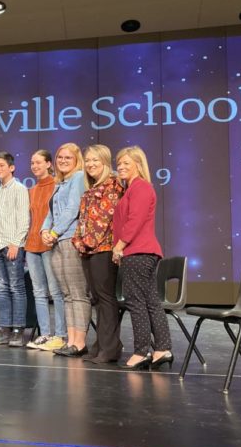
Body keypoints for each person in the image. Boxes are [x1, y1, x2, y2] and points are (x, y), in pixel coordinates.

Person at [112, 146, 174, 371]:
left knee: (136, 302)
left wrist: (120, 245)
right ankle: (162, 349)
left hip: (138, 251)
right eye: (119, 163)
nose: (121, 167)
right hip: (142, 251)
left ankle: (141, 351)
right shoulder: (132, 189)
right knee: (150, 302)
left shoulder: (140, 188)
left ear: (139, 165)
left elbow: (135, 220)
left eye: (127, 163)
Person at [74, 145, 125, 364]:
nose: (91, 164)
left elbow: (104, 221)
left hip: (103, 249)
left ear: (105, 163)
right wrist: (78, 241)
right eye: (88, 160)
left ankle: (110, 347)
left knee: (105, 298)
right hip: (88, 249)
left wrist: (86, 243)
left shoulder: (112, 186)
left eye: (96, 160)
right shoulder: (91, 188)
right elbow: (83, 221)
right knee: (96, 298)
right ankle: (101, 344)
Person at [40, 143, 90, 357]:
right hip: (57, 240)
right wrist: (44, 229)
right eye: (60, 157)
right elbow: (50, 211)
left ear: (77, 159)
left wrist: (54, 233)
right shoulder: (60, 183)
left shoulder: (78, 178)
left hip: (69, 239)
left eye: (67, 157)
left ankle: (80, 342)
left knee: (78, 294)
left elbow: (72, 209)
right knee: (67, 294)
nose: (62, 161)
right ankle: (70, 340)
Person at [0, 152, 30, 347]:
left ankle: (18, 330)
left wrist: (17, 243)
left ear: (11, 168)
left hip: (12, 246)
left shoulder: (19, 189)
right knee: (2, 289)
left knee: (16, 288)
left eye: (2, 166)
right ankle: (4, 329)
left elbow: (23, 219)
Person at [24, 149, 68, 352]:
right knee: (39, 292)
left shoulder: (57, 186)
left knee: (56, 291)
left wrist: (52, 235)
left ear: (49, 164)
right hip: (32, 245)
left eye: (39, 162)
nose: (35, 166)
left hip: (50, 243)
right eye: (32, 163)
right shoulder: (31, 190)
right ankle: (44, 333)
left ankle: (61, 334)